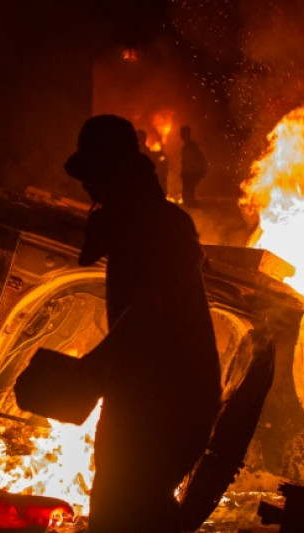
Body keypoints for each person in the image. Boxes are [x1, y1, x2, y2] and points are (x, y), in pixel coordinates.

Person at [63, 115, 222, 533]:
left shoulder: (150, 224)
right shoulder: (150, 219)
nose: (87, 188)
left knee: (125, 507)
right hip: (153, 395)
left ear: (112, 175)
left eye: (93, 176)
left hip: (166, 400)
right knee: (131, 504)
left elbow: (148, 309)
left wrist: (92, 368)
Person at [179, 125, 207, 207]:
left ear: (186, 134)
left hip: (190, 172)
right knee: (189, 189)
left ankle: (190, 203)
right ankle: (189, 202)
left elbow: (190, 160)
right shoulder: (189, 145)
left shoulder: (190, 146)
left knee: (188, 188)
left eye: (182, 133)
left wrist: (187, 171)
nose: (181, 135)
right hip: (190, 171)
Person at [136, 129, 170, 197]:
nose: (144, 139)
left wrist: (160, 154)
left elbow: (151, 156)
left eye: (144, 137)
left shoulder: (144, 149)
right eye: (142, 137)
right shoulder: (138, 150)